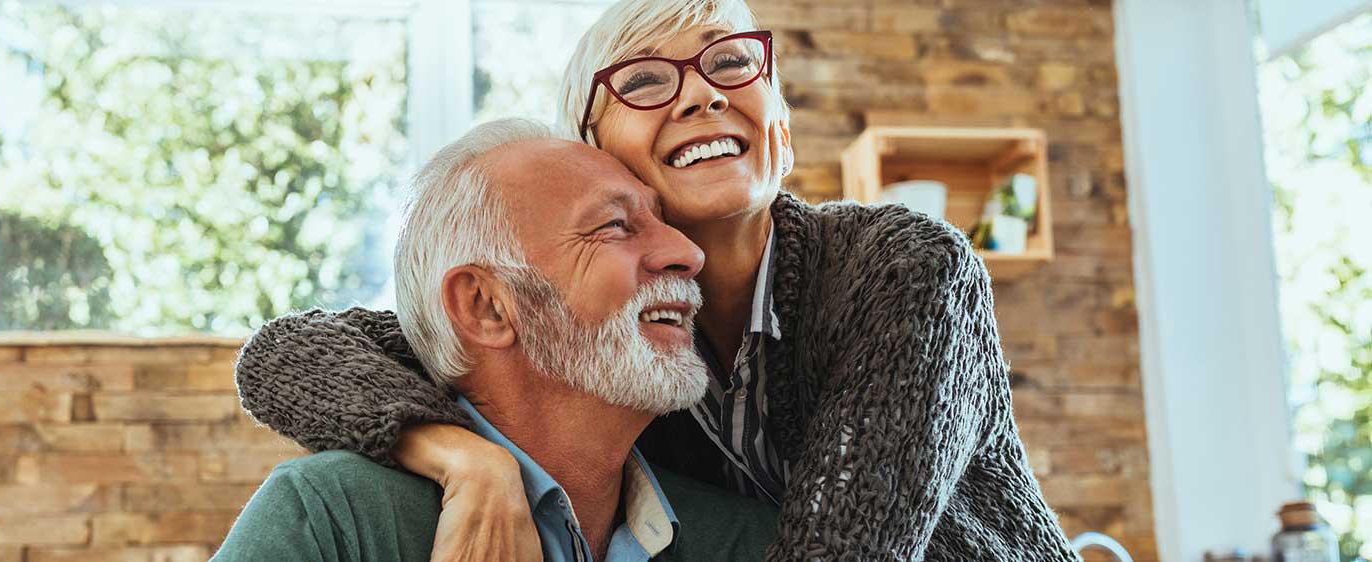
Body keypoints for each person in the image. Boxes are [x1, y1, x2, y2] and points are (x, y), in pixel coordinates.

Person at [233, 0, 1081, 560]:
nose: (705, 96)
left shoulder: (901, 270)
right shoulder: (603, 336)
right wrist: (465, 458)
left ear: (781, 132)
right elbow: (290, 353)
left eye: (733, 66)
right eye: (644, 80)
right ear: (594, 153)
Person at [214, 119, 779, 562]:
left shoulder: (752, 541)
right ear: (486, 307)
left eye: (662, 220)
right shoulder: (332, 519)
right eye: (614, 226)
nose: (688, 253)